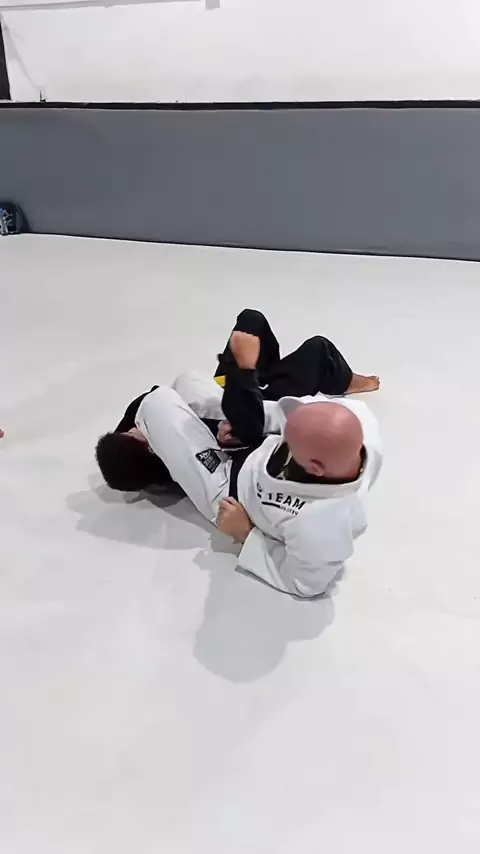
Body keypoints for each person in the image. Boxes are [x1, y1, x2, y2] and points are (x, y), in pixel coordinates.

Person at [133, 329, 382, 598]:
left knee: (157, 402)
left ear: (314, 467)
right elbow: (281, 415)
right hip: (253, 449)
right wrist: (245, 426)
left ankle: (144, 443)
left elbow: (304, 583)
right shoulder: (356, 418)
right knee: (187, 382)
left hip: (227, 489)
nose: (282, 432)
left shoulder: (323, 525)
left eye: (288, 440)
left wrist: (246, 534)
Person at [95, 309, 379, 492]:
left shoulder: (138, 423)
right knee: (318, 349)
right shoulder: (177, 460)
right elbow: (229, 452)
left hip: (219, 389)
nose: (135, 428)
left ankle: (264, 369)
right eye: (135, 436)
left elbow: (150, 398)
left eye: (128, 431)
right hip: (249, 405)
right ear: (152, 451)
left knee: (251, 321)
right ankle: (346, 381)